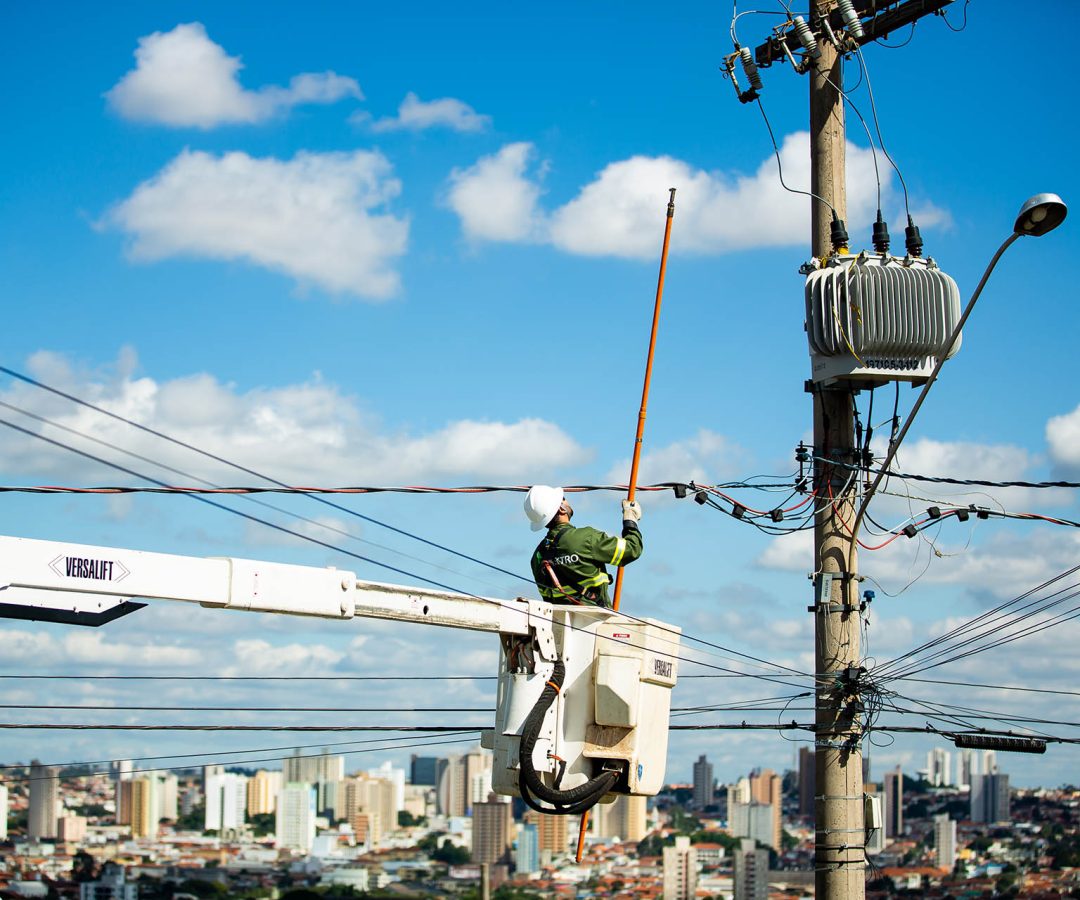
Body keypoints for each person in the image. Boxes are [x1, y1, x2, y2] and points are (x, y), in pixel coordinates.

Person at [524, 485, 642, 607]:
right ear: (561, 509)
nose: (566, 500)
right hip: (595, 622)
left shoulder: (536, 558)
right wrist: (630, 519)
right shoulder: (586, 538)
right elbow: (632, 549)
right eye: (563, 498)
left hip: (558, 624)